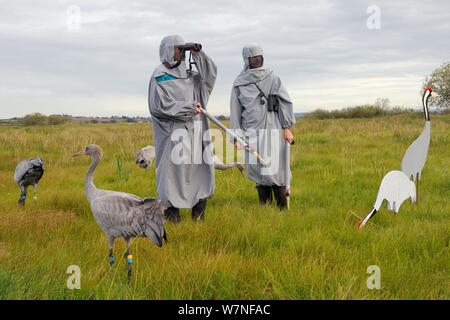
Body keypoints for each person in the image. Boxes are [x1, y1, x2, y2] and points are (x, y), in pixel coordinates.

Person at [148, 35, 217, 223]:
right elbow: (160, 106)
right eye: (179, 49)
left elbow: (209, 78)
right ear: (168, 50)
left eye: (182, 49)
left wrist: (199, 55)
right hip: (172, 137)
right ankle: (173, 220)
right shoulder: (159, 76)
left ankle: (198, 219)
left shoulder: (190, 75)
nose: (181, 53)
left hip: (195, 134)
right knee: (171, 176)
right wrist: (188, 108)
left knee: (199, 172)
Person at [229, 44, 295, 210]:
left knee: (276, 170)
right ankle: (265, 209)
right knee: (258, 169)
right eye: (253, 58)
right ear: (246, 60)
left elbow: (284, 102)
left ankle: (282, 210)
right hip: (251, 132)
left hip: (273, 129)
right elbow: (235, 111)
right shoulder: (239, 83)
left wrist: (286, 128)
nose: (256, 61)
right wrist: (237, 137)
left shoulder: (272, 77)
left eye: (258, 58)